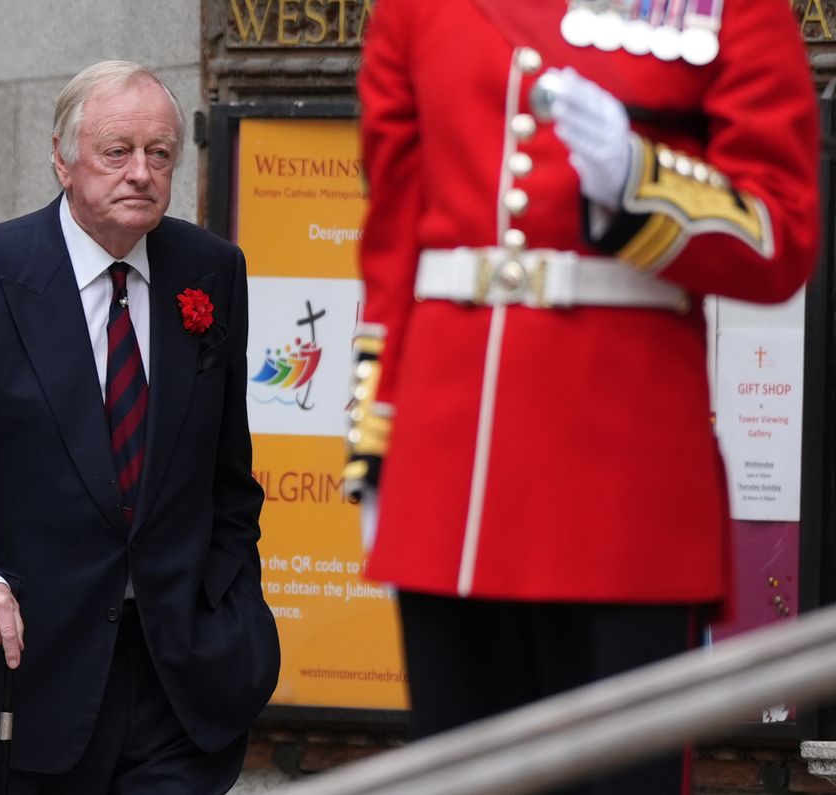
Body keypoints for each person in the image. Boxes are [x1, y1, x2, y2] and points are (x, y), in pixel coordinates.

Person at [344, 1, 818, 792]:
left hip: (622, 481)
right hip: (450, 469)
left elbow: (783, 228)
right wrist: (379, 430)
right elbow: (394, 244)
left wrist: (642, 183)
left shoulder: (733, 9)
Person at [0, 60, 279, 794]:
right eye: (116, 151)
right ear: (62, 158)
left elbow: (228, 472)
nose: (141, 173)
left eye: (160, 154)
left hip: (177, 679)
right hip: (23, 676)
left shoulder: (210, 271)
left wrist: (232, 608)